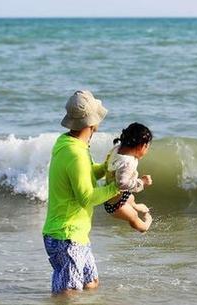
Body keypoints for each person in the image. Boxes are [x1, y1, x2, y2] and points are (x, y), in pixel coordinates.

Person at [42, 90, 120, 295]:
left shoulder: (68, 142)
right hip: (66, 236)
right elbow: (86, 196)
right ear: (92, 123)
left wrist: (105, 166)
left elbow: (85, 173)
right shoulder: (75, 153)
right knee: (68, 294)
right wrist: (117, 188)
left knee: (91, 283)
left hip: (75, 235)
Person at [103, 122, 154, 232]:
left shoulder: (117, 149)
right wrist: (142, 182)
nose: (147, 151)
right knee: (134, 217)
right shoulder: (127, 162)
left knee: (132, 200)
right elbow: (122, 183)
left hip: (119, 195)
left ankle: (138, 207)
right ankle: (146, 225)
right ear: (141, 146)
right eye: (147, 148)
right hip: (115, 205)